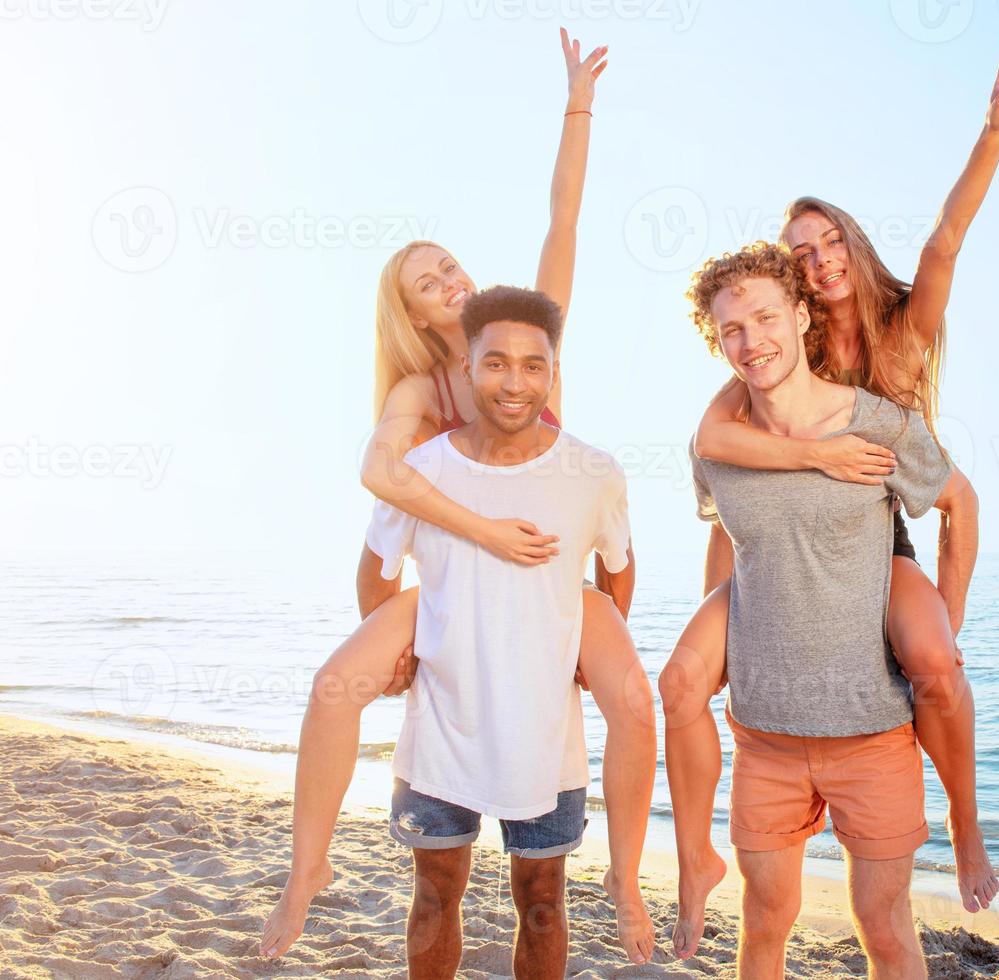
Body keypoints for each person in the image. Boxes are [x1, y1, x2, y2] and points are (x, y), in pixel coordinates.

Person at [260, 30, 657, 965]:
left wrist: (577, 105)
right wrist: (413, 633)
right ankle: (304, 869)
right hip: (448, 578)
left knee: (629, 699)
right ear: (414, 315)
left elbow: (563, 222)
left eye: (449, 265)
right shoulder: (417, 402)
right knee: (338, 687)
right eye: (429, 282)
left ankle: (630, 873)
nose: (453, 280)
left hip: (549, 560)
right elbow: (378, 511)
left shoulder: (518, 340)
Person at [661, 37, 999, 953]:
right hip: (798, 527)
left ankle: (968, 823)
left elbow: (946, 237)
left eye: (830, 243)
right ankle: (698, 852)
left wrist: (993, 132)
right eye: (801, 252)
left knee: (935, 662)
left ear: (852, 246)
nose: (819, 262)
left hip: (886, 529)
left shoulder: (901, 336)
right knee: (689, 674)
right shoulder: (783, 351)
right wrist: (739, 593)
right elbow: (716, 448)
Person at [678, 243, 978, 978]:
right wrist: (715, 629)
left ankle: (967, 824)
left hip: (871, 734)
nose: (752, 341)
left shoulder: (875, 425)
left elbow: (957, 502)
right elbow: (725, 533)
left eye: (766, 317)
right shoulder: (717, 447)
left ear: (802, 314)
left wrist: (947, 611)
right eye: (732, 330)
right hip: (765, 738)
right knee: (763, 926)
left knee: (884, 928)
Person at [371, 285, 643, 978]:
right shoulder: (423, 470)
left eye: (533, 365)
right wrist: (391, 651)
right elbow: (376, 573)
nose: (514, 382)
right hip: (441, 730)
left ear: (553, 373)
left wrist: (593, 649)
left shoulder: (595, 472)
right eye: (496, 363)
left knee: (545, 900)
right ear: (467, 367)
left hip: (547, 738)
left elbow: (619, 570)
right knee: (434, 893)